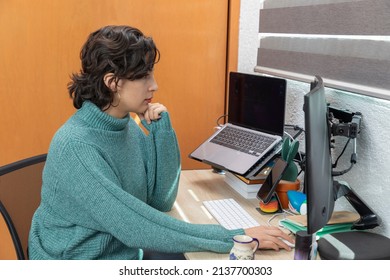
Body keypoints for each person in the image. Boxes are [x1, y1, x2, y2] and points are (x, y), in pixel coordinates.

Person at [28, 25, 294, 260]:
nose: (154, 85)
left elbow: (161, 201)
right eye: (143, 76)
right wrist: (236, 236)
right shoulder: (76, 146)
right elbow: (134, 225)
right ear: (112, 83)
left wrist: (161, 131)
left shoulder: (127, 126)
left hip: (125, 254)